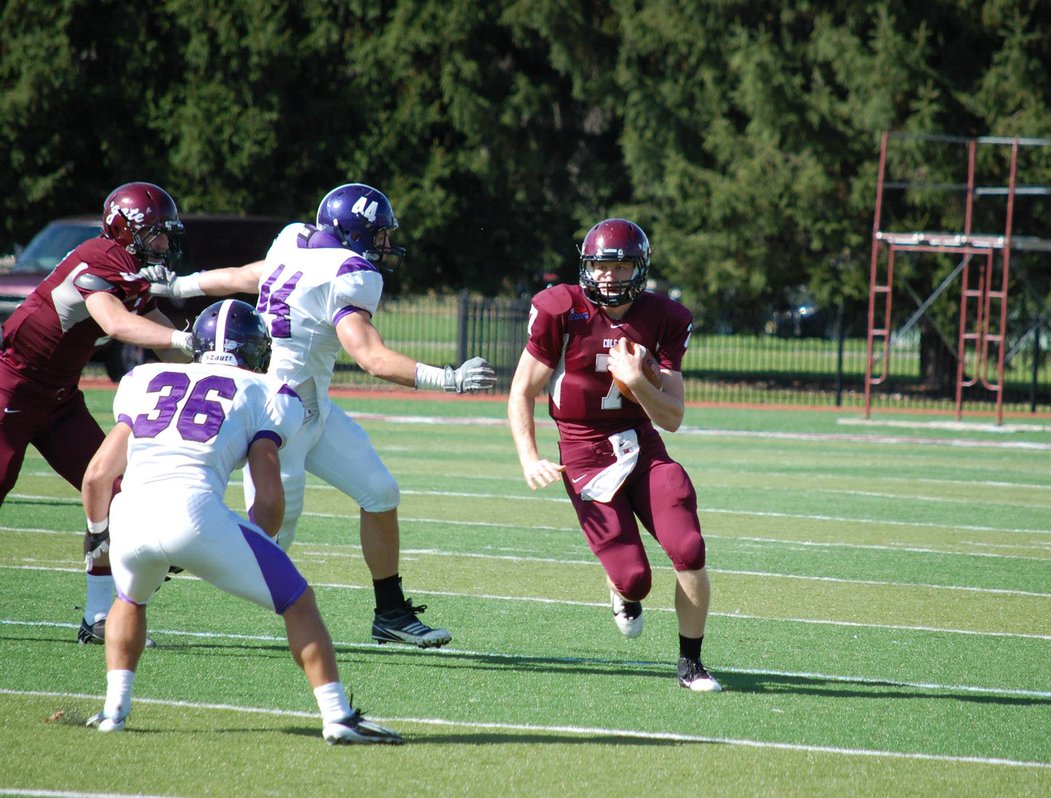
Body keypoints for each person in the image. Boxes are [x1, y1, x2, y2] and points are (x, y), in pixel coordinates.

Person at [143, 183, 496, 649]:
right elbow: (370, 357)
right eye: (379, 235)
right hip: (277, 413)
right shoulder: (349, 273)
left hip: (312, 407)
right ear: (354, 233)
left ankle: (391, 613)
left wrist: (179, 285)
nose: (384, 246)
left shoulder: (295, 242)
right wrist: (447, 378)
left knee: (380, 491)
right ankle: (134, 586)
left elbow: (247, 275)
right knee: (265, 541)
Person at [81, 299, 403, 744]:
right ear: (255, 348)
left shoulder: (144, 378)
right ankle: (338, 716)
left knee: (129, 600)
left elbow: (97, 476)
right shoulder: (265, 390)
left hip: (131, 514)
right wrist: (258, 547)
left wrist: (99, 536)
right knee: (298, 601)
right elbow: (269, 498)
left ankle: (113, 711)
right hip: (194, 512)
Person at [507, 218, 721, 692]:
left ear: (639, 269)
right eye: (601, 266)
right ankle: (621, 590)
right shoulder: (561, 309)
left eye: (621, 266)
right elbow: (521, 391)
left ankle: (691, 663)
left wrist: (638, 380)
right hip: (583, 450)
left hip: (641, 442)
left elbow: (672, 417)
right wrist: (529, 457)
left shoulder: (665, 317)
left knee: (689, 547)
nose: (609, 276)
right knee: (635, 579)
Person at [0, 182, 197, 644]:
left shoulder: (131, 273)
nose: (163, 245)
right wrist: (183, 339)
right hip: (12, 387)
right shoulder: (101, 258)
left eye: (166, 235)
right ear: (125, 230)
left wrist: (215, 359)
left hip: (60, 401)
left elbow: (165, 340)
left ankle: (99, 616)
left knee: (118, 500)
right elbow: (116, 323)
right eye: (155, 234)